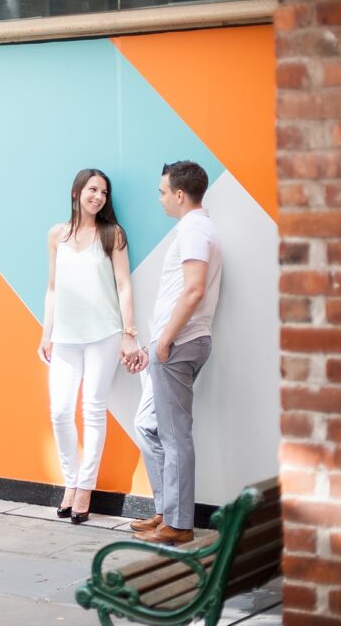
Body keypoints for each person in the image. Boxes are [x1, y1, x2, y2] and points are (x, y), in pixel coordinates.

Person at [39, 169, 147, 525]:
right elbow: (53, 287)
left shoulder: (111, 234)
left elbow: (124, 286)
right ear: (77, 192)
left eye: (103, 192)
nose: (98, 196)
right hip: (66, 337)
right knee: (59, 411)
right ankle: (71, 481)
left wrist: (128, 333)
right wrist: (46, 333)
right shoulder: (57, 235)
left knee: (93, 410)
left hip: (104, 334)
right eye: (92, 189)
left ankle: (84, 488)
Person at [130, 160, 222, 545]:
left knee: (174, 435)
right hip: (177, 343)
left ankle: (179, 525)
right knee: (149, 426)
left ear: (180, 194)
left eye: (163, 191)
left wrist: (165, 338)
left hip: (179, 344)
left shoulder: (195, 229)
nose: (161, 198)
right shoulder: (194, 228)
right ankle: (167, 511)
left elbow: (194, 288)